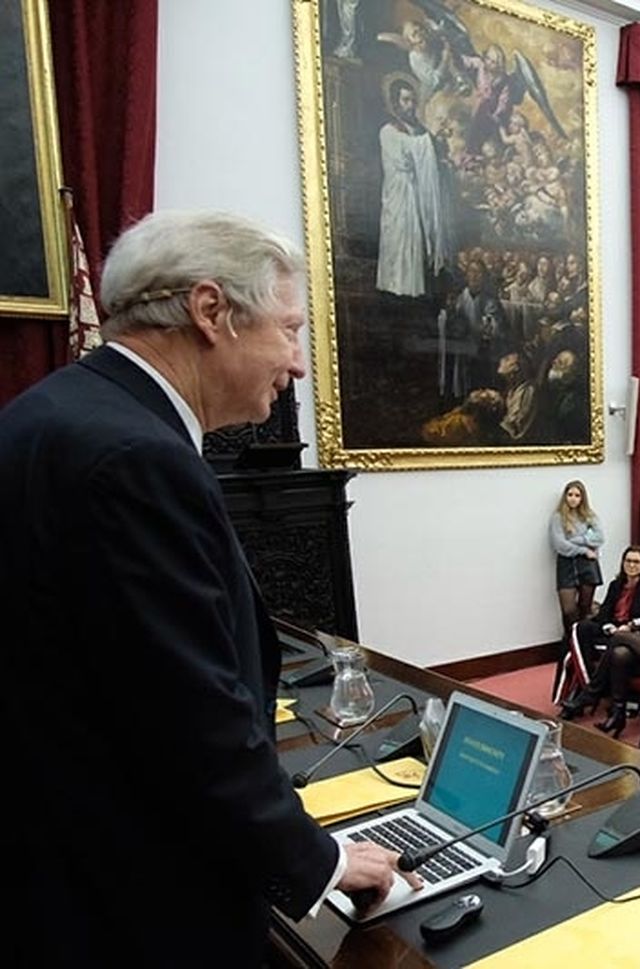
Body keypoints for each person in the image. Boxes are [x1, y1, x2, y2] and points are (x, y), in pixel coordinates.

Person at [0, 211, 419, 965]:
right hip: (129, 900)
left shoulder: (49, 412)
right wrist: (320, 862)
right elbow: (186, 721)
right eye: (289, 330)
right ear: (211, 311)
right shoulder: (133, 457)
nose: (296, 363)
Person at [561, 546, 640, 729]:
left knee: (619, 651)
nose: (631, 565)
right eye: (628, 561)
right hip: (613, 631)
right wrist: (607, 626)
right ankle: (588, 685)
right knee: (580, 628)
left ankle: (589, 694)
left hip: (636, 633)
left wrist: (631, 625)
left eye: (636, 562)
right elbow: (604, 615)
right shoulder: (616, 585)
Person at [377, 78, 453, 296]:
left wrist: (436, 141)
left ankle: (418, 292)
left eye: (413, 100)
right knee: (402, 239)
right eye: (405, 100)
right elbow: (405, 159)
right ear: (395, 102)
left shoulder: (418, 131)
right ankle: (398, 290)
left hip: (418, 193)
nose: (410, 105)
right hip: (400, 194)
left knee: (419, 242)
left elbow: (429, 156)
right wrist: (431, 139)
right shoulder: (388, 131)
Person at [550, 479, 604, 637]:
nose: (573, 498)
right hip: (567, 565)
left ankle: (584, 643)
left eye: (577, 495)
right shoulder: (558, 518)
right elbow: (559, 545)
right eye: (570, 494)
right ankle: (569, 643)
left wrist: (574, 540)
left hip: (587, 566)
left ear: (582, 498)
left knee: (585, 608)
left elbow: (599, 537)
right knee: (569, 611)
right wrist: (583, 549)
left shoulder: (589, 516)